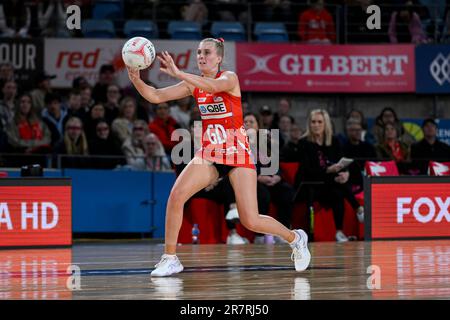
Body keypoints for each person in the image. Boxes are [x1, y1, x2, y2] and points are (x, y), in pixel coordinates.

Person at [127, 37, 310, 277]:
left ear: (219, 57)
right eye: (199, 52)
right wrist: (136, 79)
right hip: (211, 153)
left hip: (238, 153)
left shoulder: (230, 78)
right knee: (176, 196)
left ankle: (295, 238)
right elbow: (155, 96)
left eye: (207, 52)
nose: (201, 56)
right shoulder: (193, 85)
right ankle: (170, 258)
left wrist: (179, 72)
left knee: (250, 220)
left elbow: (212, 87)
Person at [295, 109, 364, 242]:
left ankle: (339, 232)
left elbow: (342, 163)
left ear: (325, 124)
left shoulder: (334, 141)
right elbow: (307, 171)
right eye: (313, 122)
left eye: (319, 122)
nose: (316, 125)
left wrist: (346, 173)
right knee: (337, 185)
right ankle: (358, 209)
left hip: (330, 184)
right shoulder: (304, 143)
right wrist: (329, 170)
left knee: (338, 189)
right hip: (310, 185)